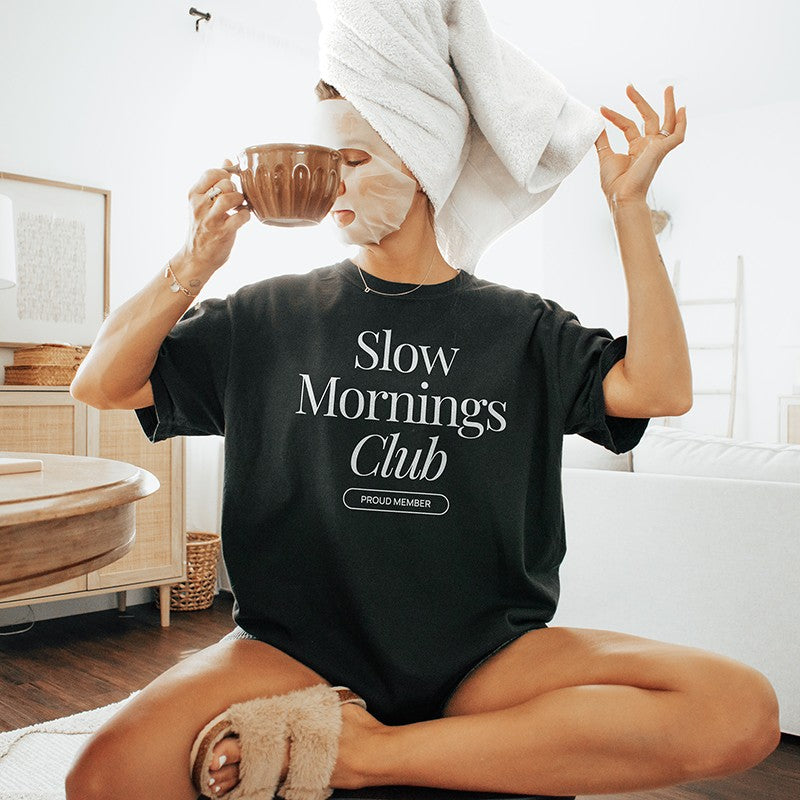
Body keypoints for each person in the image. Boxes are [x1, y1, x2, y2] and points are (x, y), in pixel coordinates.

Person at [65, 80, 779, 800]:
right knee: (104, 780)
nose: (330, 181)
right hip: (295, 652)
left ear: (426, 164)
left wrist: (628, 208)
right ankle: (420, 741)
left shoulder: (522, 326)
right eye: (324, 161)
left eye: (353, 158)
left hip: (489, 658)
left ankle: (368, 753)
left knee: (738, 709)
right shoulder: (265, 314)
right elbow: (102, 384)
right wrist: (193, 262)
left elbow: (660, 389)